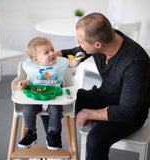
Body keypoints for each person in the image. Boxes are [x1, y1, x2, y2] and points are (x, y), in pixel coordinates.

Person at [57, 13, 150, 160]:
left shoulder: (135, 63)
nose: (78, 43)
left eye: (80, 41)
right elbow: (77, 53)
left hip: (129, 114)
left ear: (98, 44)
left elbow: (126, 112)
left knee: (95, 140)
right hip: (104, 97)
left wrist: (88, 114)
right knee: (58, 98)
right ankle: (53, 147)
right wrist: (50, 55)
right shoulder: (107, 40)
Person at [17, 37, 85, 150]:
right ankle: (31, 133)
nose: (52, 53)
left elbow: (72, 63)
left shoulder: (59, 62)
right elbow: (30, 78)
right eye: (46, 52)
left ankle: (52, 134)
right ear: (36, 60)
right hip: (37, 95)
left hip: (55, 95)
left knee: (56, 110)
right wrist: (24, 82)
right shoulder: (32, 67)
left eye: (52, 50)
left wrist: (77, 59)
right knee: (28, 110)